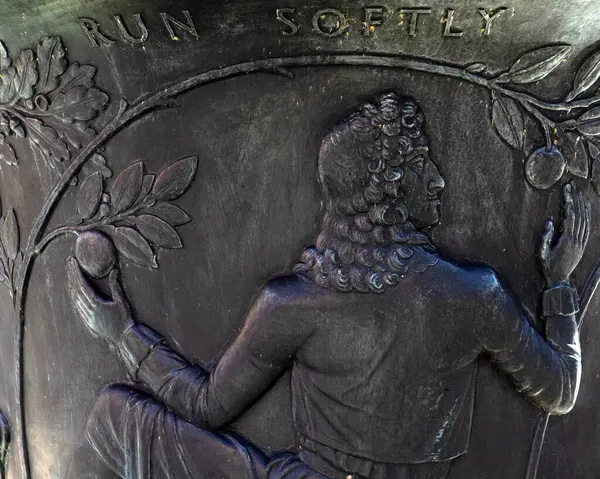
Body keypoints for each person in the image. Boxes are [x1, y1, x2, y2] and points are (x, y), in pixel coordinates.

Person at [66, 93, 589, 479]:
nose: (439, 179)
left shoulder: (293, 303)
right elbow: (561, 392)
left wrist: (123, 333)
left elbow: (204, 405)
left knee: (118, 414)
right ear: (390, 191)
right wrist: (559, 284)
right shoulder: (476, 294)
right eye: (421, 167)